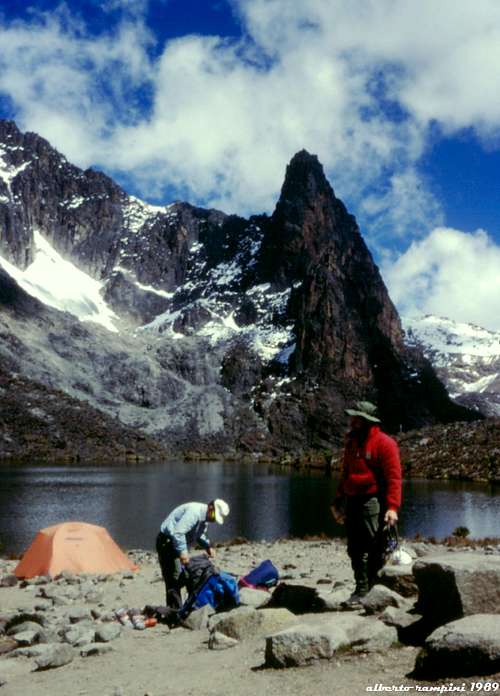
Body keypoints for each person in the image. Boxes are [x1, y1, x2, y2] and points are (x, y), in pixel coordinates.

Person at [331, 400, 402, 607]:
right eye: (352, 418)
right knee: (354, 548)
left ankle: (374, 590)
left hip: (373, 502)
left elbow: (394, 478)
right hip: (352, 500)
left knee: (374, 547)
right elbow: (346, 474)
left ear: (366, 421)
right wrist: (338, 499)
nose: (351, 422)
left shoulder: (385, 443)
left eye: (356, 419)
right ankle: (361, 589)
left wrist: (392, 507)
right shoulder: (352, 443)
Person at [156, 499, 230, 610]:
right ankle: (174, 610)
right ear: (210, 508)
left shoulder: (204, 518)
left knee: (185, 575)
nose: (214, 520)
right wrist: (183, 552)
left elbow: (199, 535)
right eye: (214, 516)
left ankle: (187, 607)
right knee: (174, 578)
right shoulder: (194, 512)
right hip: (166, 542)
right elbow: (179, 533)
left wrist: (207, 546)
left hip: (176, 543)